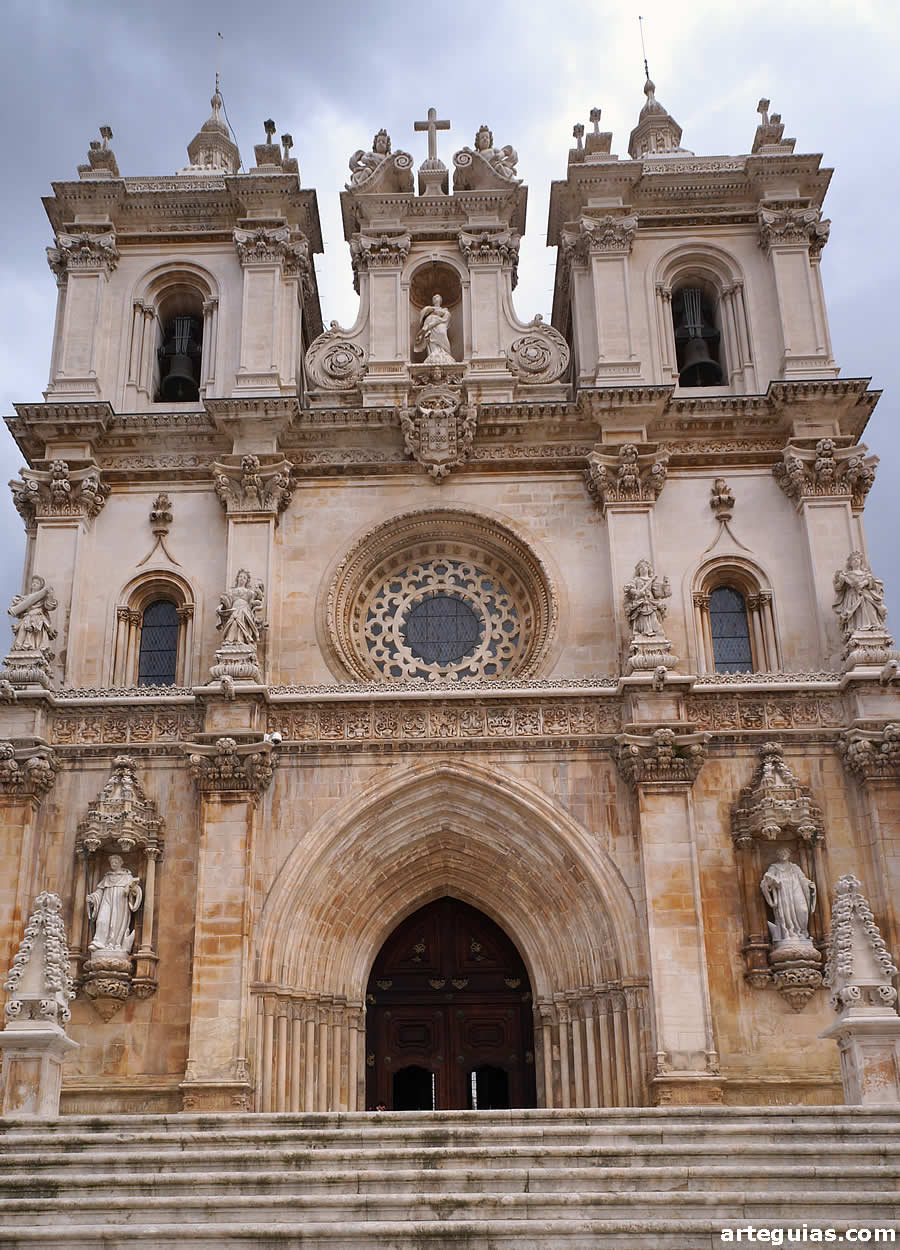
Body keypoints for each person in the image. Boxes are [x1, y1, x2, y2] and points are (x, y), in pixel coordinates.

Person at [87, 854, 142, 952]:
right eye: (112, 862)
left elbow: (134, 891)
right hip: (106, 900)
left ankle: (115, 944)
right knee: (102, 920)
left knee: (116, 923)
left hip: (120, 902)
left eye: (116, 862)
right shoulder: (107, 877)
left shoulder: (127, 876)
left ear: (121, 863)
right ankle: (99, 941)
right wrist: (93, 898)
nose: (113, 864)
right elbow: (100, 891)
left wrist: (131, 890)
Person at [760, 848, 816, 944]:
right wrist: (773, 881)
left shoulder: (794, 867)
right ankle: (789, 932)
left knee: (803, 910)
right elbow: (767, 879)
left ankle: (802, 931)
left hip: (796, 889)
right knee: (785, 912)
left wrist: (809, 885)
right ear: (777, 855)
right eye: (781, 852)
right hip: (783, 892)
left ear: (789, 854)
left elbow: (802, 879)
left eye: (785, 852)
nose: (783, 854)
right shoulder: (774, 867)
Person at [832, 550, 888, 638]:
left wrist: (865, 582)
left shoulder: (866, 573)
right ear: (850, 563)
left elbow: (874, 582)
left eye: (858, 558)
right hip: (853, 597)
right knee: (857, 613)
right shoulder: (847, 574)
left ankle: (874, 626)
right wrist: (842, 580)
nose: (856, 560)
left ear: (861, 561)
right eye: (853, 559)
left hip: (866, 596)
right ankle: (857, 628)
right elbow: (838, 588)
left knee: (870, 610)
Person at [8, 575, 57, 653]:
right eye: (33, 582)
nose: (34, 584)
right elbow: (17, 609)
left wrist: (50, 596)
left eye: (37, 583)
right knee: (21, 641)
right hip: (26, 620)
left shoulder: (42, 598)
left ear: (40, 587)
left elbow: (50, 606)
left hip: (37, 621)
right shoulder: (24, 598)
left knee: (35, 641)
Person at [217, 569, 265, 647]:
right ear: (237, 578)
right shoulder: (231, 591)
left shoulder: (249, 592)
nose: (242, 579)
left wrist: (259, 591)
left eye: (244, 578)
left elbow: (254, 601)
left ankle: (241, 640)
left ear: (247, 581)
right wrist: (220, 607)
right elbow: (226, 602)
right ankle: (230, 640)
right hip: (234, 609)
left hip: (245, 610)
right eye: (240, 577)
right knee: (234, 621)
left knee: (238, 620)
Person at [623, 560, 671, 639]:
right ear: (638, 570)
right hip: (640, 601)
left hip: (650, 601)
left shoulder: (652, 580)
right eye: (641, 567)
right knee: (640, 615)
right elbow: (629, 589)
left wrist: (665, 584)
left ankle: (654, 631)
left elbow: (659, 593)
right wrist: (636, 592)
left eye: (645, 566)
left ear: (648, 569)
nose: (643, 568)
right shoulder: (636, 580)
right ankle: (641, 632)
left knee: (653, 615)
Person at [414, 294, 455, 364]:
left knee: (443, 335)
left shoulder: (444, 310)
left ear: (440, 300)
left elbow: (446, 318)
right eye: (434, 298)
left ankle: (444, 354)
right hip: (431, 330)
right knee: (432, 342)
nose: (436, 299)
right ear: (433, 301)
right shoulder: (429, 311)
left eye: (437, 297)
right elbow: (424, 318)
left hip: (441, 327)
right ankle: (434, 355)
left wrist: (439, 317)